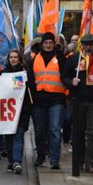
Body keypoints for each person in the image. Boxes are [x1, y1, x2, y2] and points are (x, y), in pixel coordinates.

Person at [62, 34, 93, 173]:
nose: (88, 47)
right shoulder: (73, 59)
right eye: (85, 45)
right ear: (81, 45)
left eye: (91, 45)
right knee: (78, 132)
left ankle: (90, 162)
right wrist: (71, 82)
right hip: (78, 100)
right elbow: (64, 77)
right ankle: (79, 160)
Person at [27, 32, 66, 169]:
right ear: (42, 44)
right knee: (39, 130)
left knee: (55, 129)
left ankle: (54, 159)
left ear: (54, 44)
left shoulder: (61, 58)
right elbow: (30, 80)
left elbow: (66, 77)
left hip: (56, 99)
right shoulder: (34, 60)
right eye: (45, 43)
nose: (48, 45)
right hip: (39, 100)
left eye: (50, 43)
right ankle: (41, 155)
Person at [3, 49, 31, 174]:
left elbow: (32, 89)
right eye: (11, 57)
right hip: (8, 111)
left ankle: (17, 161)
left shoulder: (26, 73)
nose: (13, 59)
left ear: (19, 59)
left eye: (15, 57)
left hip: (22, 110)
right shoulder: (3, 73)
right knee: (8, 137)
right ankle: (11, 161)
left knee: (18, 135)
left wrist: (27, 78)